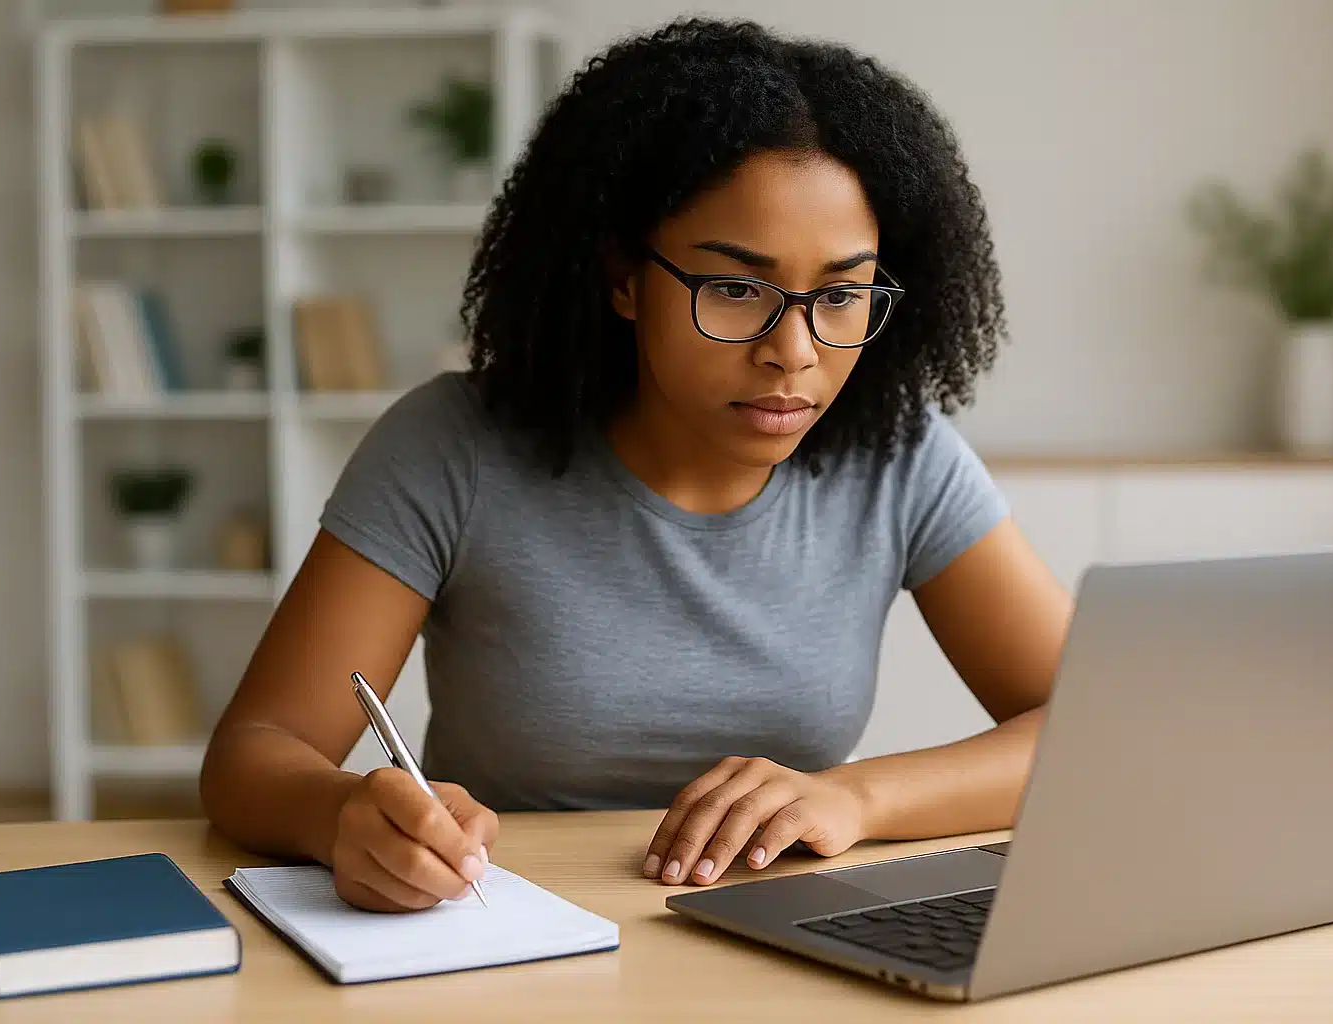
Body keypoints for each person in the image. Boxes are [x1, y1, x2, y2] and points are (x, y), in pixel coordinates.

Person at [199, 16, 1072, 914]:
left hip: (776, 935)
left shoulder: (900, 454)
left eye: (842, 295)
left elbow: (1093, 729)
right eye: (736, 289)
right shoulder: (452, 446)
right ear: (623, 277)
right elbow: (255, 751)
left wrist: (858, 795)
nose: (795, 351)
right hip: (503, 926)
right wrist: (343, 810)